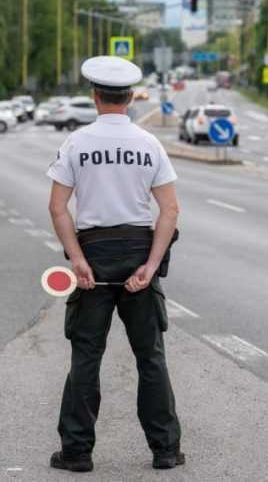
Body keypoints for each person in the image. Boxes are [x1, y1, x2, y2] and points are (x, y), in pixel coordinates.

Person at [46, 56, 183, 473]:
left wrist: (78, 259)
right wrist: (151, 264)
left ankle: (76, 452)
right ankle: (164, 450)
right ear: (130, 98)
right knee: (150, 357)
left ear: (95, 96)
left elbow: (58, 208)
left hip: (94, 253)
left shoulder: (77, 143)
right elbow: (170, 211)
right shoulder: (148, 144)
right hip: (139, 252)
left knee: (86, 355)